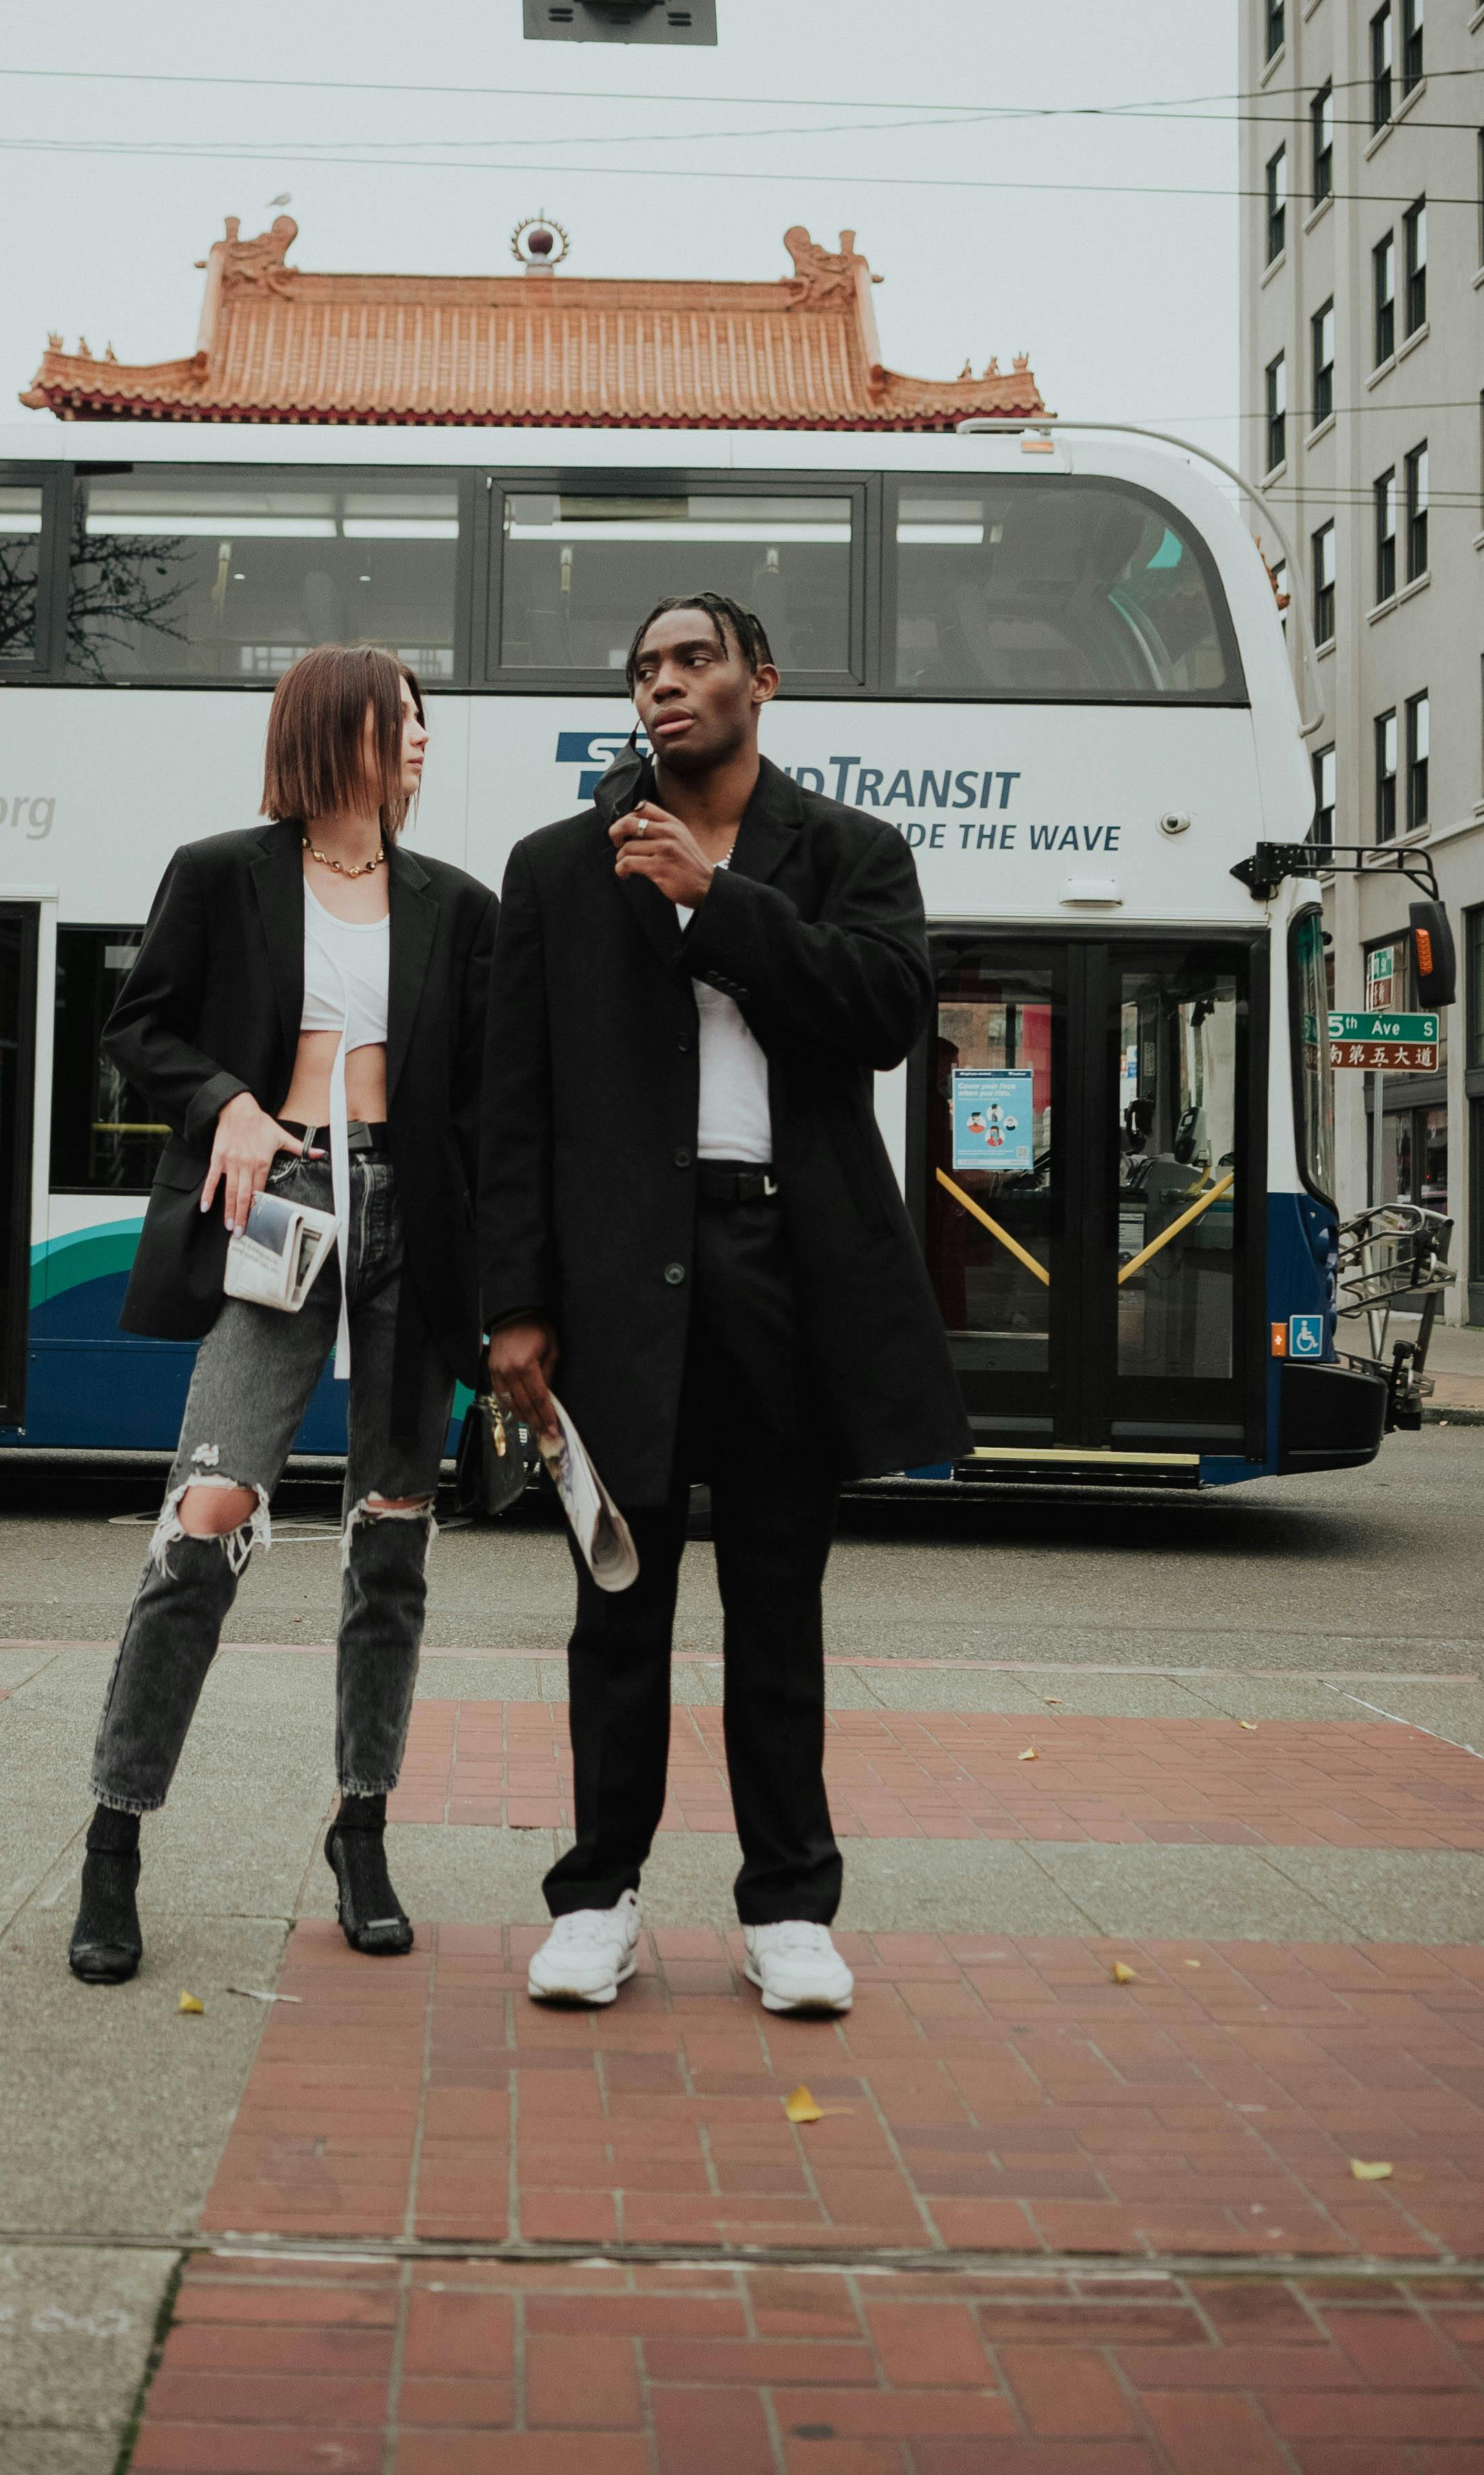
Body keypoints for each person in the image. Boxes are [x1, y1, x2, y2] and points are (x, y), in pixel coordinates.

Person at [480, 591, 970, 2017]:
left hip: (786, 1270)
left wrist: (714, 896)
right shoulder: (559, 867)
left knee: (778, 1602)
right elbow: (514, 1105)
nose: (664, 685)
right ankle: (596, 1900)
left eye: (693, 659)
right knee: (615, 1604)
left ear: (764, 675)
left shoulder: (852, 853)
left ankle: (789, 1907)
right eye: (643, 667)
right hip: (617, 1278)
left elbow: (882, 1015)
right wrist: (515, 1300)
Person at [71, 644, 496, 1983]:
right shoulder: (222, 873)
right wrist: (231, 1103)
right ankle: (115, 1833)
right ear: (335, 732)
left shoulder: (457, 904)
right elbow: (138, 1028)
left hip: (412, 1217)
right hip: (279, 1198)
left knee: (392, 1535)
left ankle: (361, 1826)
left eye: (428, 721)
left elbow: (493, 1096)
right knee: (209, 1515)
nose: (422, 737)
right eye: (399, 718)